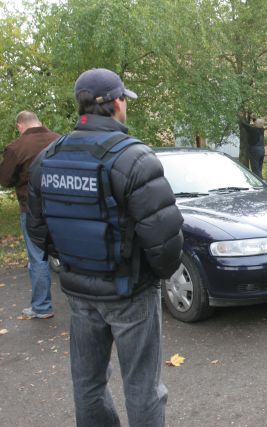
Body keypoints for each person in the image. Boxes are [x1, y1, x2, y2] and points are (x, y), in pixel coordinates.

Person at [27, 68, 184, 427]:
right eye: (124, 99)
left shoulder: (48, 158)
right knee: (143, 388)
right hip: (130, 291)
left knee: (88, 384)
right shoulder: (134, 158)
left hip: (80, 291)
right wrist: (152, 277)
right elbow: (165, 239)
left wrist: (76, 260)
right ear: (116, 103)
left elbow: (38, 231)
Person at [0, 111, 59, 319]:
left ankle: (42, 307)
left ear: (20, 125)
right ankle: (84, 303)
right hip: (62, 208)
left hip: (32, 209)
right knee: (71, 255)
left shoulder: (16, 148)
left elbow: (5, 179)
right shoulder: (59, 140)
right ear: (38, 122)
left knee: (38, 258)